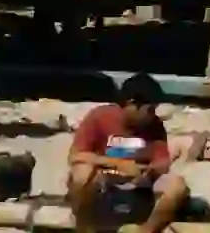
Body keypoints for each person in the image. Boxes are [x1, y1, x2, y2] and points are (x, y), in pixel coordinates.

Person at [66, 73, 189, 233]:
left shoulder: (154, 126)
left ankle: (146, 230)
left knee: (177, 186)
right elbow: (76, 156)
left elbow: (162, 161)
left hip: (140, 187)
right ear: (133, 104)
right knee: (82, 174)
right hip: (104, 184)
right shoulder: (100, 117)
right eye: (150, 109)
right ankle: (84, 229)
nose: (153, 114)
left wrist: (150, 171)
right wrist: (119, 164)